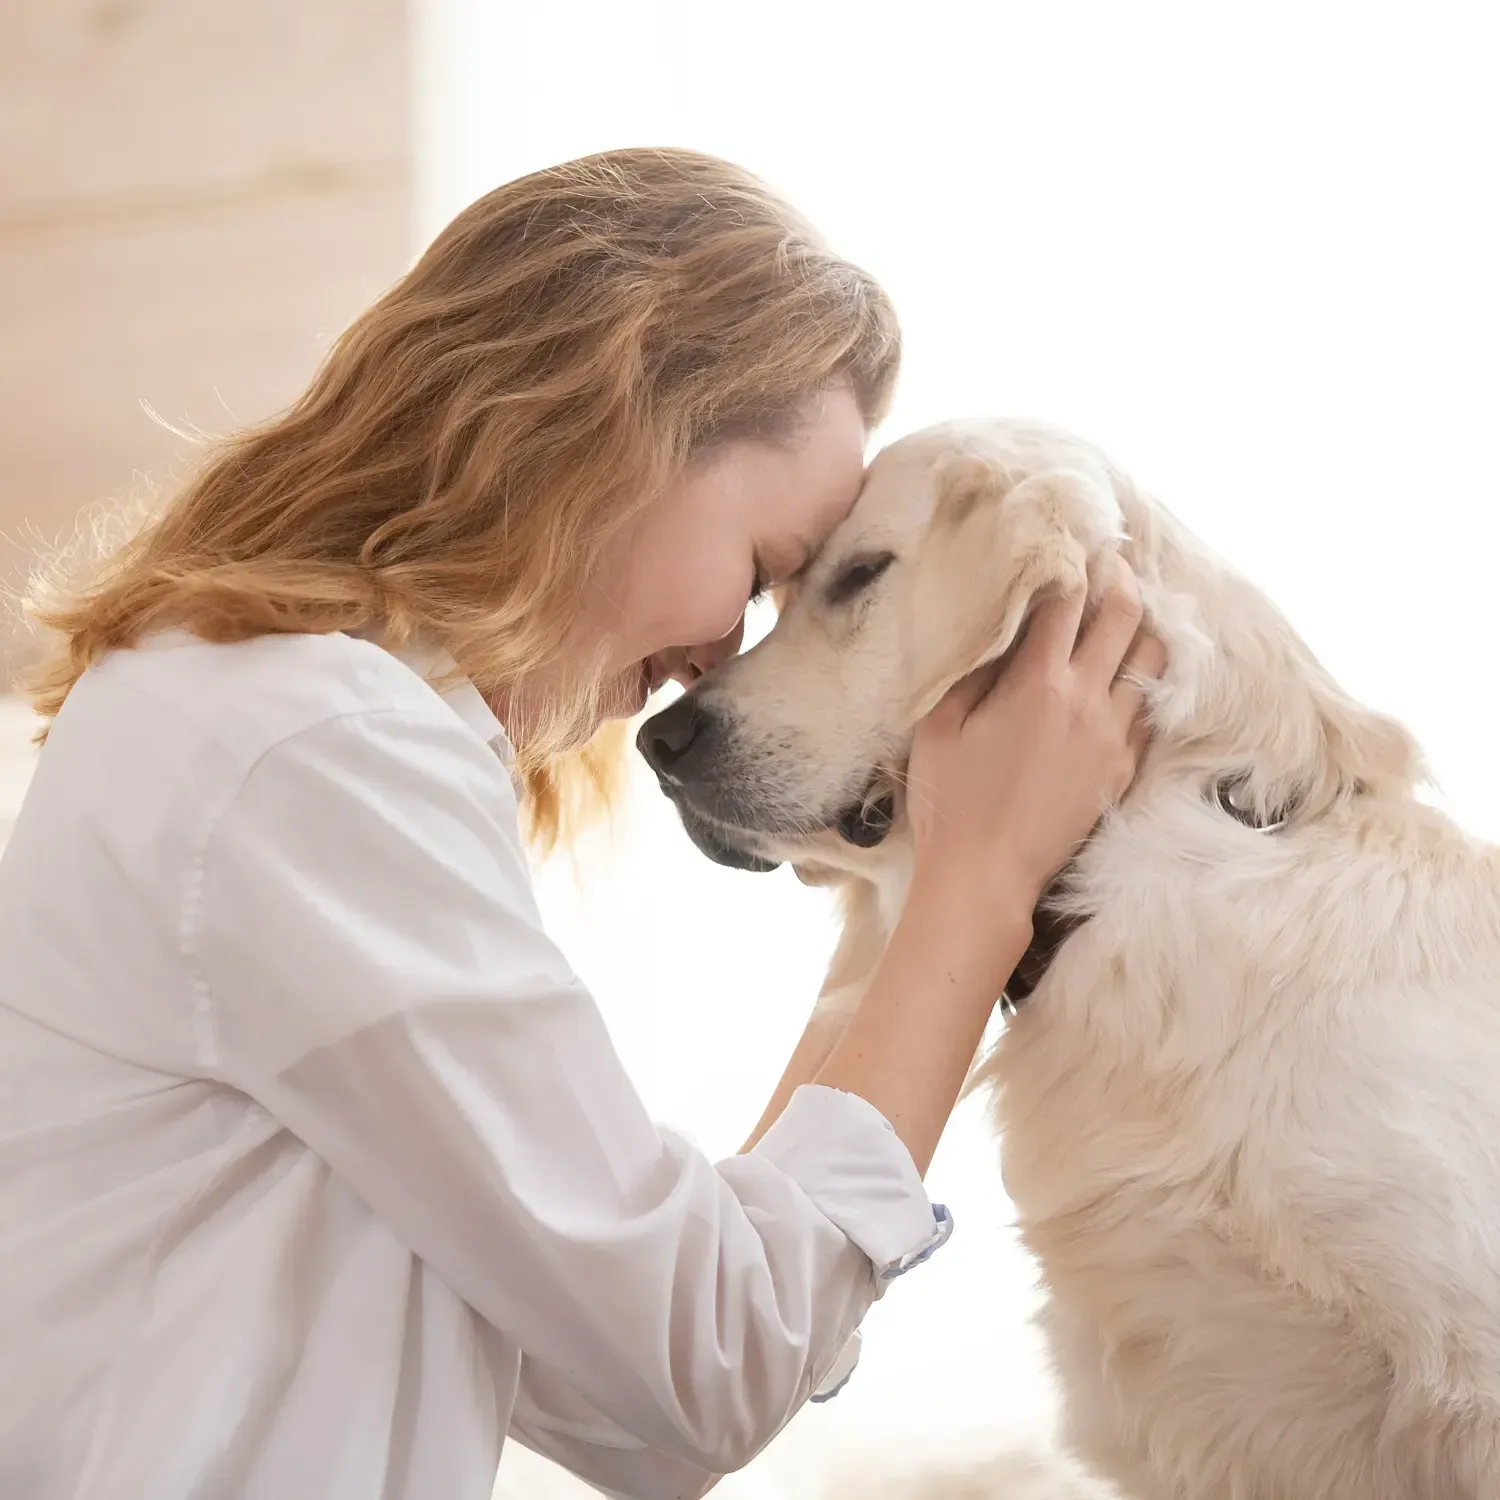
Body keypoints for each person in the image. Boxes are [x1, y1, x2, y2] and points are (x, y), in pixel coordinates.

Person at [0, 149, 1162, 1500]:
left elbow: (632, 1410)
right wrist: (979, 883)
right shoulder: (311, 749)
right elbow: (703, 1368)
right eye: (767, 571)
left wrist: (903, 895)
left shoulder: (256, 715)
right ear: (619, 426)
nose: (724, 650)